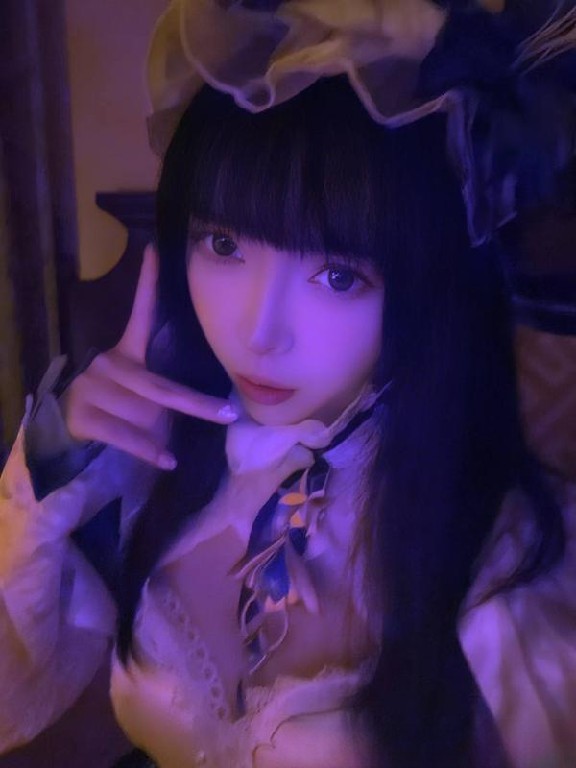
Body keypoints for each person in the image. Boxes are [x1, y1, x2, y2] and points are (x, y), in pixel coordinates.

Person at [1, 1, 576, 766]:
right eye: (223, 243)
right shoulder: (151, 454)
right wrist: (48, 466)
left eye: (337, 276)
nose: (258, 332)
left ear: (426, 285)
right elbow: (15, 698)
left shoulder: (508, 555)